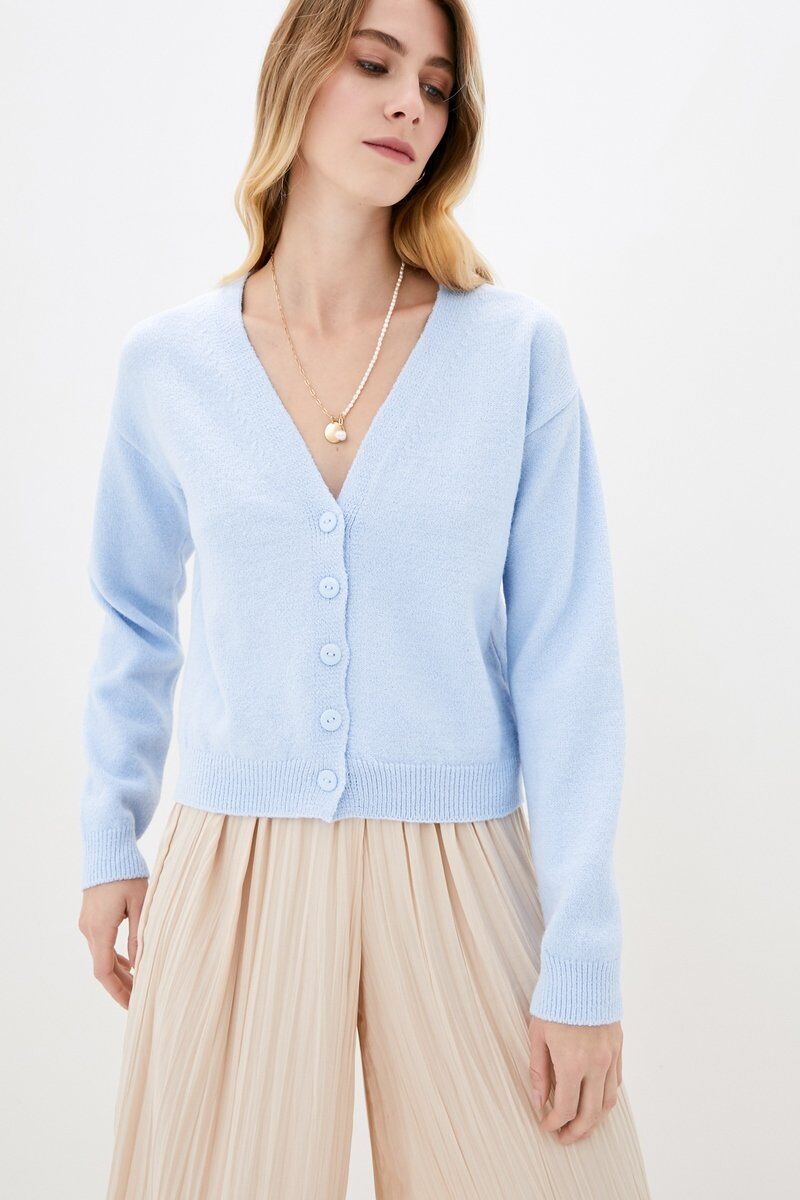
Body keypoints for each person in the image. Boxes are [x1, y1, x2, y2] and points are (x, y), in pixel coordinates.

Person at [77, 0, 653, 1195]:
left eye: (435, 87)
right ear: (297, 73)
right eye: (375, 63)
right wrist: (107, 838)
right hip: (233, 862)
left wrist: (582, 951)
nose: (408, 104)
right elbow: (132, 617)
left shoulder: (512, 353)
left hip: (461, 861)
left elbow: (566, 657)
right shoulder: (169, 365)